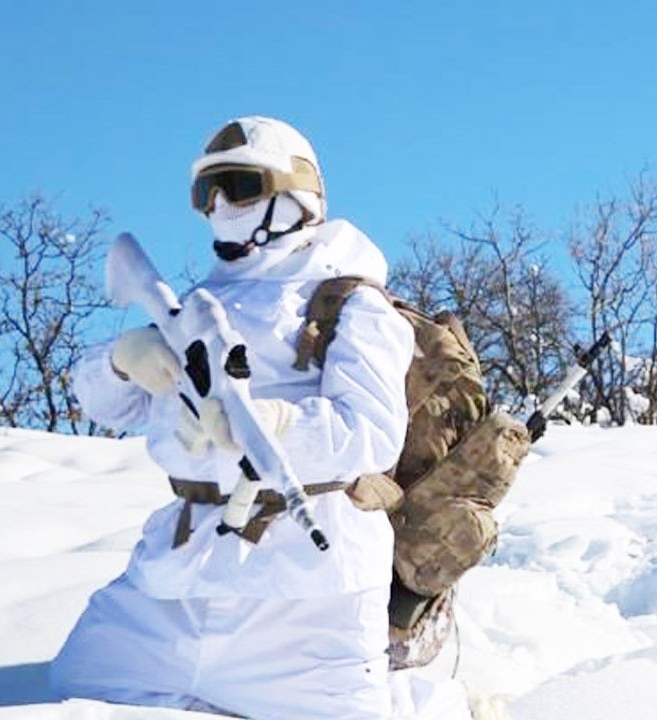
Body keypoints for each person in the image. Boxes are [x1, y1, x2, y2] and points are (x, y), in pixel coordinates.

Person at [50, 117, 466, 719]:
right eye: (205, 193)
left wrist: (268, 424)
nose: (218, 206)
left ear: (296, 196)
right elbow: (102, 406)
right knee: (75, 692)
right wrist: (121, 361)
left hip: (306, 599)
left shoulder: (352, 303)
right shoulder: (195, 305)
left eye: (239, 185)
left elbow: (371, 435)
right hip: (173, 585)